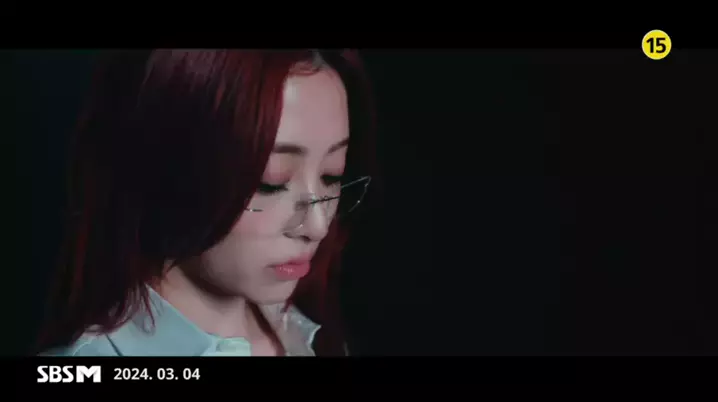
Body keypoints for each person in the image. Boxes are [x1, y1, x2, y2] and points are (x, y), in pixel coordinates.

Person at [36, 49, 377, 357]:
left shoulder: (312, 336)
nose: (318, 226)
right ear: (162, 168)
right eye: (271, 182)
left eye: (332, 175)